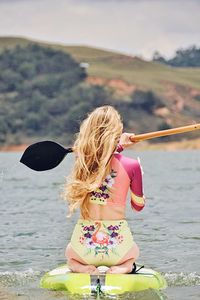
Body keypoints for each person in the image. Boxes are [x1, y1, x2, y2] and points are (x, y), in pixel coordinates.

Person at [63, 106, 145, 274]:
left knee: (70, 256)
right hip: (118, 248)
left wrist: (119, 146)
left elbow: (102, 160)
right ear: (117, 130)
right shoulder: (131, 166)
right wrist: (138, 174)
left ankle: (80, 267)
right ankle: (125, 266)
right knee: (133, 252)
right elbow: (138, 206)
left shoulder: (82, 163)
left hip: (84, 248)